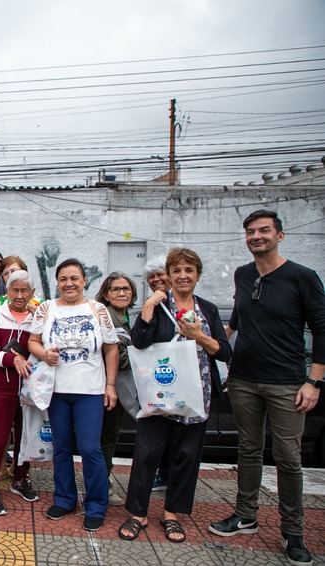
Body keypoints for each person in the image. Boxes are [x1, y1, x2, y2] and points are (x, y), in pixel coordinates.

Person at [208, 210, 325, 566]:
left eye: (264, 231)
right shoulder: (244, 275)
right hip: (243, 379)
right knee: (249, 449)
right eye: (251, 232)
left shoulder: (302, 277)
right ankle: (246, 515)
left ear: (280, 235)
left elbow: (321, 329)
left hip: (287, 382)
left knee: (289, 458)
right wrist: (214, 350)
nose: (256, 236)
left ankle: (293, 532)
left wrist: (314, 380)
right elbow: (237, 320)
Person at [119, 248, 232, 544]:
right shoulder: (157, 305)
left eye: (189, 270)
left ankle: (172, 513)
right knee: (146, 454)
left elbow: (225, 351)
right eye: (177, 271)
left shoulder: (207, 309)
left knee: (186, 456)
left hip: (196, 395)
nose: (183, 276)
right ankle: (138, 513)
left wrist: (199, 335)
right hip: (159, 394)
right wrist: (146, 309)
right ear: (168, 276)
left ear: (197, 275)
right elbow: (140, 343)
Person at [28, 259, 119, 531]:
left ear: (84, 281)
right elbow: (32, 341)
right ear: (57, 282)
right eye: (64, 278)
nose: (69, 283)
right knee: (62, 448)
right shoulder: (46, 308)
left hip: (90, 391)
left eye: (74, 278)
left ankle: (96, 504)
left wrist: (110, 385)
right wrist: (43, 353)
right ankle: (65, 499)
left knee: (91, 449)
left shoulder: (98, 310)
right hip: (57, 390)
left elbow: (111, 348)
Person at [0, 270, 38, 516]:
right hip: (1, 388)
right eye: (15, 289)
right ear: (7, 291)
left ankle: (20, 478)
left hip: (30, 388)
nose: (19, 295)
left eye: (25, 290)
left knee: (26, 437)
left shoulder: (39, 317)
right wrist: (11, 360)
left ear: (32, 294)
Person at [95, 272, 137, 507]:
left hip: (123, 388)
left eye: (126, 289)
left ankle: (102, 481)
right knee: (106, 439)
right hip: (108, 387)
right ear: (106, 295)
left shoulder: (127, 317)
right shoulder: (106, 317)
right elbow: (119, 357)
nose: (122, 293)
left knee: (110, 437)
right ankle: (102, 486)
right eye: (115, 289)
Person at [144, 255, 172, 491]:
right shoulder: (151, 305)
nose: (156, 279)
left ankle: (172, 477)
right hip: (159, 379)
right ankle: (163, 474)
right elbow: (141, 340)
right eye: (151, 277)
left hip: (181, 378)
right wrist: (150, 305)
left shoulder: (189, 304)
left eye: (159, 274)